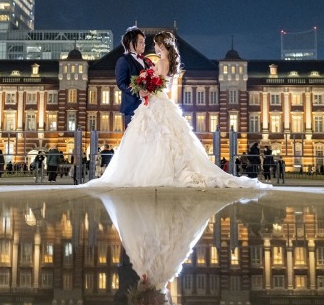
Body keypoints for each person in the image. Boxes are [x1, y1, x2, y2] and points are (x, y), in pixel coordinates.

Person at [87, 31, 270, 189]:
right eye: (144, 42)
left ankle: (148, 172)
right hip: (159, 101)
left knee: (153, 137)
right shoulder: (161, 63)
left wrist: (145, 83)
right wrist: (145, 82)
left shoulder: (157, 63)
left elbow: (155, 84)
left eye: (155, 44)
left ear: (162, 45)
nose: (153, 46)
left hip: (154, 102)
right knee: (161, 137)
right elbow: (157, 85)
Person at [116, 26, 152, 130]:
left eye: (144, 42)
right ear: (131, 44)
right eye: (141, 42)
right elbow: (121, 83)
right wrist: (137, 92)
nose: (144, 44)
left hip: (148, 107)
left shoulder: (146, 61)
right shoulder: (123, 60)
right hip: (132, 108)